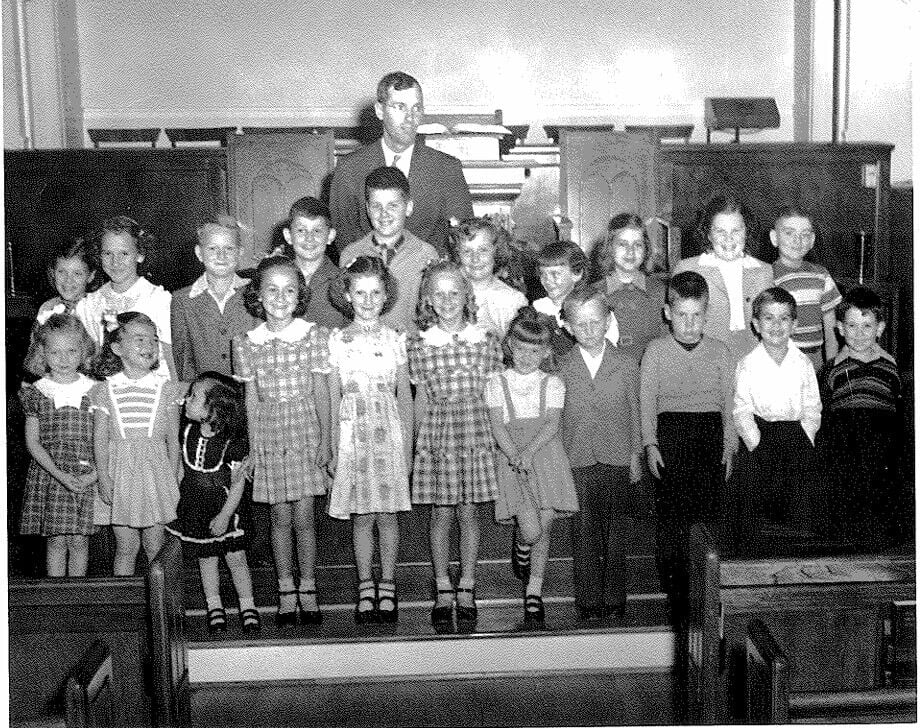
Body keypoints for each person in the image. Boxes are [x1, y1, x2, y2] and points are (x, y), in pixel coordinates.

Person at [232, 256, 332, 627]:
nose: (280, 298)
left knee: (304, 517)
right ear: (257, 295)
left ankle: (308, 586)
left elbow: (321, 391)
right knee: (278, 517)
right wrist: (254, 447)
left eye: (289, 290)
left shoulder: (313, 335)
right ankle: (285, 587)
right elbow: (251, 400)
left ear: (300, 295)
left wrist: (326, 440)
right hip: (270, 434)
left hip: (305, 430)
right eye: (271, 290)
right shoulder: (247, 343)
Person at [407, 261, 502, 627]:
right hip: (438, 433)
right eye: (439, 294)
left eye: (454, 293)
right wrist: (418, 444)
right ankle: (442, 585)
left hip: (476, 430)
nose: (447, 301)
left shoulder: (486, 340)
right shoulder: (420, 344)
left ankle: (467, 584)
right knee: (441, 513)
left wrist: (499, 441)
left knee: (468, 512)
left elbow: (494, 394)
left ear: (467, 296)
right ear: (428, 300)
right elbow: (421, 399)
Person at [640, 271, 734, 616]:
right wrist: (651, 444)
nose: (690, 323)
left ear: (706, 314)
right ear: (668, 313)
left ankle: (707, 594)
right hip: (671, 435)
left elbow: (729, 402)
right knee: (673, 519)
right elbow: (647, 400)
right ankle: (675, 594)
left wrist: (729, 444)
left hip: (709, 434)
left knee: (708, 516)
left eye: (697, 315)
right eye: (682, 315)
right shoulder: (656, 351)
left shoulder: (720, 351)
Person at [327, 256, 413, 624]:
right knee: (362, 515)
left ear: (386, 295)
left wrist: (407, 449)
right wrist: (333, 447)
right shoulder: (336, 340)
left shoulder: (396, 339)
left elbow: (404, 397)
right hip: (352, 434)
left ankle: (388, 583)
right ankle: (365, 584)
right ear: (347, 295)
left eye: (375, 292)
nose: (367, 300)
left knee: (388, 515)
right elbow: (333, 396)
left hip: (387, 432)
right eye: (360, 292)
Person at [486, 307, 578, 625]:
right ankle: (521, 546)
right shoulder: (496, 382)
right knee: (530, 530)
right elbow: (497, 425)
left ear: (546, 351)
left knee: (545, 526)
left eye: (534, 351)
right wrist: (515, 455)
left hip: (545, 456)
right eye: (521, 348)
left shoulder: (552, 383)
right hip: (513, 458)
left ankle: (534, 591)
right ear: (510, 345)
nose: (527, 356)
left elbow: (552, 424)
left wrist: (529, 452)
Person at [557, 287, 641, 621]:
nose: (589, 329)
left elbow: (635, 411)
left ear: (608, 321)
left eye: (595, 321)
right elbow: (557, 417)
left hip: (618, 456)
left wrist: (635, 455)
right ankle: (589, 599)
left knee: (617, 532)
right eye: (581, 324)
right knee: (584, 530)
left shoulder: (626, 363)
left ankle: (615, 597)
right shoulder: (562, 366)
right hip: (576, 457)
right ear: (568, 327)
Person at [329, 71, 473, 255]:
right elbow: (344, 237)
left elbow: (462, 237)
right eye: (400, 107)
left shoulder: (446, 168)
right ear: (380, 111)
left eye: (416, 108)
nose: (410, 118)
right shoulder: (349, 168)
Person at [91, 312, 185, 576]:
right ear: (117, 348)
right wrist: (103, 476)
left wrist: (172, 477)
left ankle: (161, 598)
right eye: (140, 339)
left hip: (155, 474)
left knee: (155, 545)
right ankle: (124, 599)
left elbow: (173, 439)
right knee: (126, 546)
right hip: (120, 474)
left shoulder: (166, 390)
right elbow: (100, 438)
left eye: (154, 340)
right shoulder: (105, 390)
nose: (149, 345)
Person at [166, 372, 260, 634]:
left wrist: (225, 516)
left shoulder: (232, 442)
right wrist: (175, 501)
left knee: (235, 558)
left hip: (224, 507)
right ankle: (214, 605)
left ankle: (247, 605)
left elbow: (238, 484)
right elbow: (182, 471)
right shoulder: (187, 432)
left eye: (194, 396)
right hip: (195, 506)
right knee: (206, 558)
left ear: (214, 408)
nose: (187, 400)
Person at [732, 287, 821, 541]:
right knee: (760, 504)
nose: (776, 325)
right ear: (756, 324)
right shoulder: (748, 364)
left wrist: (806, 436)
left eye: (784, 318)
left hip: (796, 437)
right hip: (762, 437)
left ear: (794, 325)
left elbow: (812, 406)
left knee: (798, 502)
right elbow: (742, 409)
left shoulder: (803, 363)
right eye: (769, 318)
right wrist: (755, 443)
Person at [821, 287, 902, 547]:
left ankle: (881, 535)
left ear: (880, 328)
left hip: (881, 437)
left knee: (881, 484)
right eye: (852, 326)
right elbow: (826, 409)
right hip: (844, 438)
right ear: (840, 329)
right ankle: (845, 534)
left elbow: (897, 407)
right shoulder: (832, 369)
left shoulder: (890, 366)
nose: (859, 333)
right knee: (845, 483)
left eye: (867, 326)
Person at [19, 314, 98, 576]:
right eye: (55, 352)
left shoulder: (96, 390)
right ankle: (56, 596)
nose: (63, 359)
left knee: (79, 541)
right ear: (43, 353)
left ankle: (77, 595)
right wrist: (59, 474)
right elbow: (33, 443)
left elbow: (106, 440)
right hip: (51, 475)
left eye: (71, 351)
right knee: (55, 541)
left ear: (83, 351)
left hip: (87, 473)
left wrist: (95, 475)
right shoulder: (36, 391)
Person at [672, 195, 773, 362]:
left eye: (736, 231)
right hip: (705, 359)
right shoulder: (687, 269)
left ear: (747, 232)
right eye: (720, 231)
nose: (729, 238)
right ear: (708, 234)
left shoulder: (765, 271)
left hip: (755, 360)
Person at [339, 166, 438, 334]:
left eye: (392, 205)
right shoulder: (351, 254)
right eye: (376, 206)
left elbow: (432, 312)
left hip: (412, 345)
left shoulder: (426, 254)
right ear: (367, 209)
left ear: (408, 207)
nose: (383, 213)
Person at [76, 216, 175, 378]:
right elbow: (89, 358)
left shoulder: (159, 300)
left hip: (153, 386)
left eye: (124, 253)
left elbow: (172, 360)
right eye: (108, 253)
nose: (115, 262)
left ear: (140, 255)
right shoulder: (90, 304)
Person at [170, 216, 258, 380]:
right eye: (212, 248)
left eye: (229, 248)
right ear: (199, 253)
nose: (221, 256)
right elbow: (184, 361)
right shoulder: (182, 300)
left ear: (240, 252)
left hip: (249, 390)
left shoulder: (254, 292)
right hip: (205, 392)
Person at [769, 205, 842, 368]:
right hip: (782, 358)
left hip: (815, 358)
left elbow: (831, 330)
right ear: (774, 238)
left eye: (805, 234)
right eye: (789, 233)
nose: (798, 240)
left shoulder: (821, 275)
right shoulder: (768, 276)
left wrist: (831, 368)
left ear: (812, 240)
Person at [593, 213, 666, 362]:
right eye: (622, 244)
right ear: (609, 247)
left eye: (638, 245)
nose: (630, 251)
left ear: (646, 249)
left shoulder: (659, 291)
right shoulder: (594, 293)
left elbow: (666, 341)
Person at [532, 240, 617, 361]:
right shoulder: (538, 307)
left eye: (555, 274)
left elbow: (605, 354)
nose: (547, 280)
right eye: (543, 274)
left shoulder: (595, 308)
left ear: (577, 274)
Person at [451, 217, 527, 338]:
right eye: (467, 251)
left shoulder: (513, 301)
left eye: (483, 250)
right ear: (458, 254)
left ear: (496, 252)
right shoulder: (447, 295)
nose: (475, 259)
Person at [279, 197, 347, 330]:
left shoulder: (344, 282)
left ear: (330, 236)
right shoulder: (275, 280)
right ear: (288, 236)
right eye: (301, 230)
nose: (309, 238)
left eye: (317, 231)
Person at [35, 239, 98, 325]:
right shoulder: (48, 308)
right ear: (53, 273)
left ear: (91, 276)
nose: (68, 280)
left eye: (77, 273)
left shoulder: (97, 310)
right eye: (61, 272)